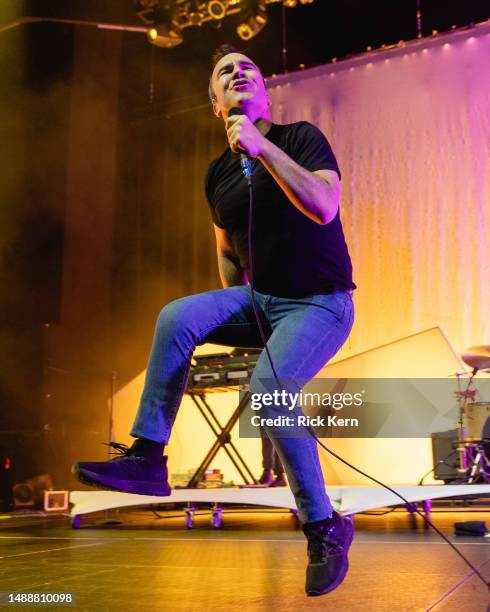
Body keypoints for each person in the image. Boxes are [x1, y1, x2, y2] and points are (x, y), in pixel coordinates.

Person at [74, 44, 356, 597]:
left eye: (248, 66)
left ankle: (323, 527)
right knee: (176, 314)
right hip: (263, 301)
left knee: (271, 390)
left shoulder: (298, 138)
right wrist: (239, 312)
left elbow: (324, 205)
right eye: (225, 72)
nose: (238, 72)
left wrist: (263, 149)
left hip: (321, 301)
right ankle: (149, 457)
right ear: (215, 105)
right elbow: (227, 251)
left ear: (264, 90)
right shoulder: (217, 173)